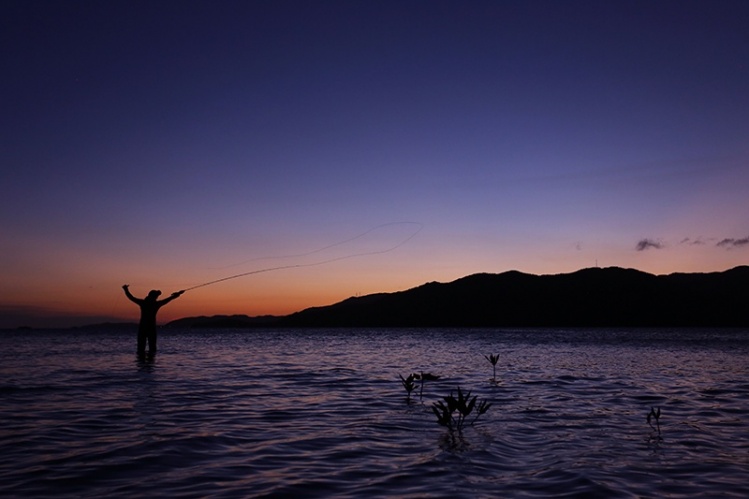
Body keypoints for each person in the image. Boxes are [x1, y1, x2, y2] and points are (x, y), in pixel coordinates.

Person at [122, 285, 184, 357]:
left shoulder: (143, 303)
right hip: (151, 327)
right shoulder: (156, 304)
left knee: (141, 348)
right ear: (154, 297)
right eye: (156, 297)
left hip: (143, 327)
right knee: (152, 348)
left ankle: (141, 364)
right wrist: (178, 294)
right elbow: (169, 299)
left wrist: (126, 289)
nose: (157, 298)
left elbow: (131, 297)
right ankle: (151, 365)